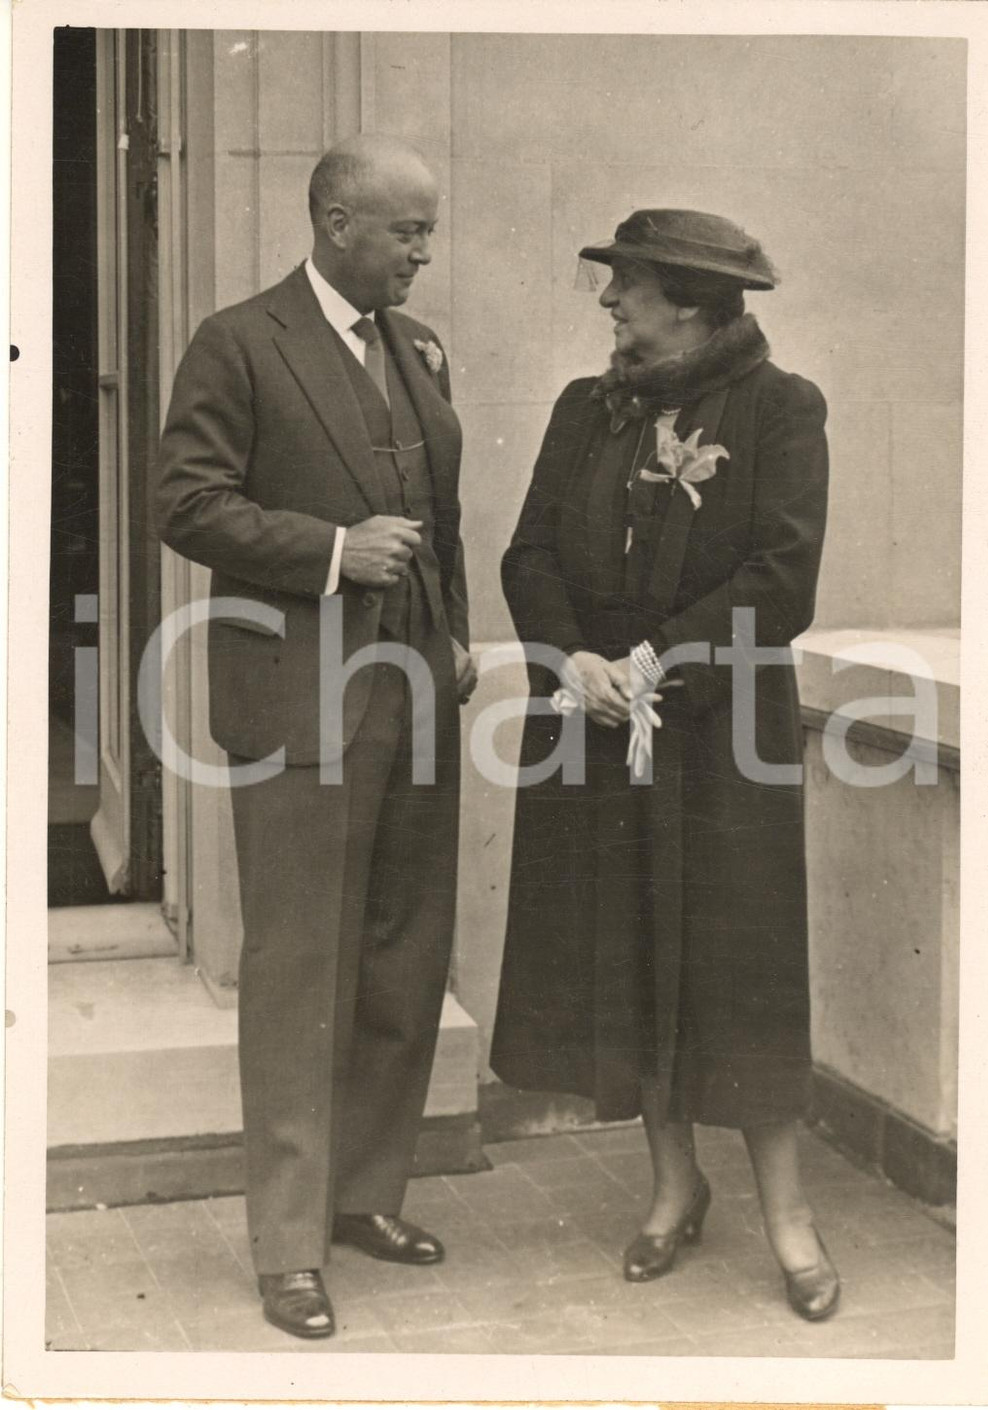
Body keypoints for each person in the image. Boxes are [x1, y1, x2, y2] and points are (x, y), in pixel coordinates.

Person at [490, 209, 839, 1321]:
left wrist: (654, 663)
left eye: (624, 288)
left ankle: (788, 1217)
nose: (607, 306)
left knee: (743, 967)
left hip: (720, 735)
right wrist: (572, 658)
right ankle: (671, 1184)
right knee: (630, 949)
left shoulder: (781, 411)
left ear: (687, 300)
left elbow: (780, 582)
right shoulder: (584, 411)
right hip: (597, 727)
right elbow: (529, 551)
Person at [157, 135, 476, 1340]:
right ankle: (287, 1248)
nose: (423, 251)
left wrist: (458, 637)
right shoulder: (238, 342)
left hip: (415, 695)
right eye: (407, 231)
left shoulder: (421, 347)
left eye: (427, 230)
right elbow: (185, 503)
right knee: (299, 974)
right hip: (298, 700)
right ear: (339, 223)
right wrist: (338, 553)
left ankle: (364, 1198)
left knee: (401, 951)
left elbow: (444, 518)